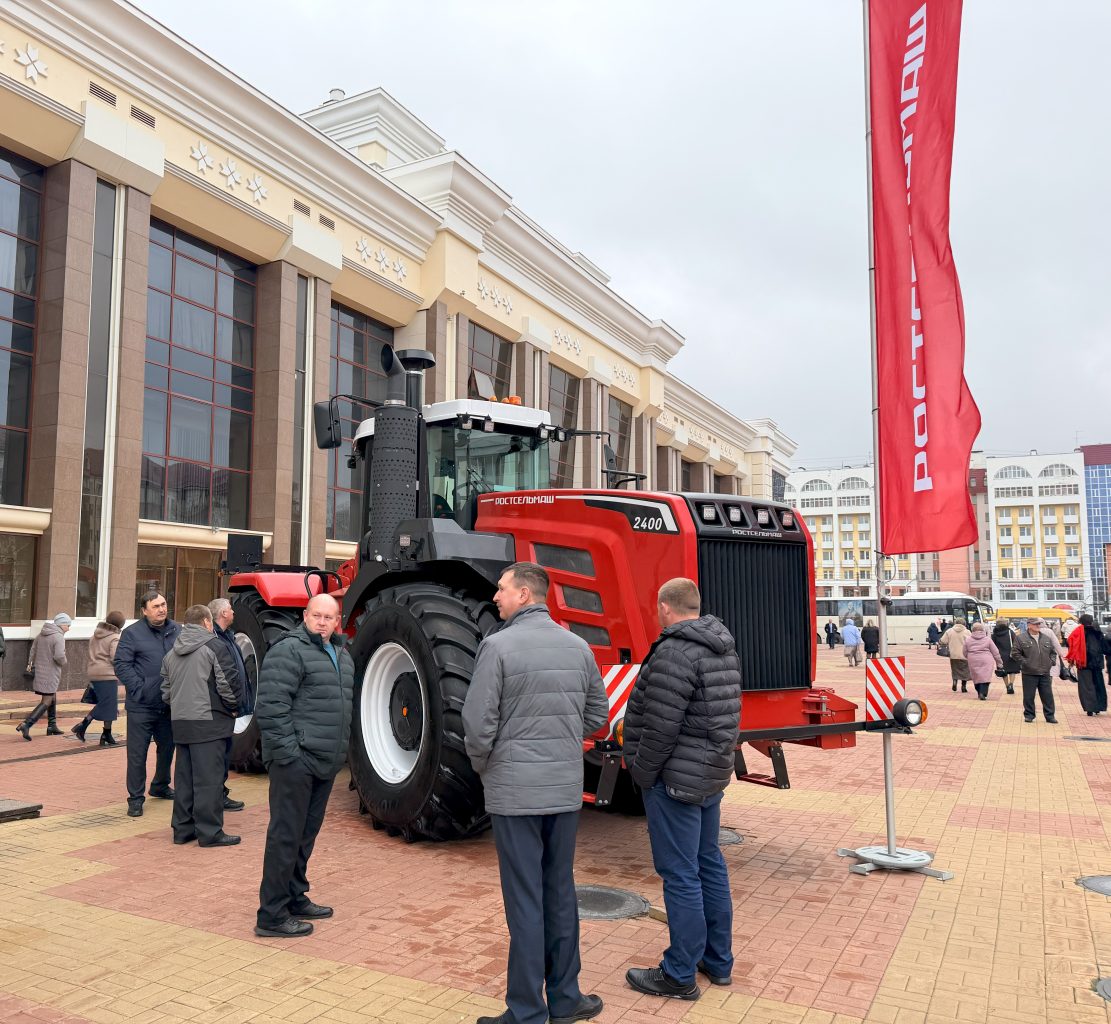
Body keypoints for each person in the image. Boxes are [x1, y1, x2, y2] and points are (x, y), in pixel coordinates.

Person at [463, 563, 608, 1024]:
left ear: (525, 594)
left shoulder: (497, 646)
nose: (496, 597)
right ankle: (567, 1000)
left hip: (514, 795)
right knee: (560, 893)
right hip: (564, 793)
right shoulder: (578, 646)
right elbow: (597, 713)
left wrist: (487, 766)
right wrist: (564, 745)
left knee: (525, 899)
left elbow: (476, 724)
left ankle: (526, 1011)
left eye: (502, 590)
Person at [623, 577, 741, 1003]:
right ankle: (718, 960)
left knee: (680, 874)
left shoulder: (674, 650)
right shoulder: (722, 647)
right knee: (709, 864)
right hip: (707, 777)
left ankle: (678, 973)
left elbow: (659, 727)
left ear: (664, 606)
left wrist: (641, 772)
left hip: (673, 780)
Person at [255, 594, 353, 939]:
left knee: (304, 835)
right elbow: (271, 706)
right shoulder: (289, 650)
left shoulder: (341, 654)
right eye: (317, 616)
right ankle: (271, 915)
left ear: (337, 621)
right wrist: (289, 754)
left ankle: (294, 896)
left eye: (329, 617)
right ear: (305, 616)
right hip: (296, 762)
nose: (323, 622)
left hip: (324, 762)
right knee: (285, 836)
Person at [161, 604, 242, 846]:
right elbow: (228, 685)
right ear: (207, 622)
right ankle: (210, 833)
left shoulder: (171, 653)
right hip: (210, 724)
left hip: (181, 723)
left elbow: (165, 691)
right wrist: (233, 708)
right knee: (209, 780)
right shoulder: (215, 646)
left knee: (185, 779)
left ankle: (183, 830)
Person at [115, 592, 179, 817]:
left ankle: (160, 785)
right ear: (144, 610)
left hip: (169, 703)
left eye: (163, 604)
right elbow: (121, 664)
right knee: (137, 753)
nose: (161, 609)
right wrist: (139, 689)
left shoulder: (177, 630)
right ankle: (135, 798)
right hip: (141, 706)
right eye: (155, 606)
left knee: (168, 747)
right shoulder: (132, 634)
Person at [207, 598, 247, 813]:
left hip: (228, 708)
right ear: (223, 613)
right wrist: (231, 704)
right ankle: (217, 796)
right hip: (222, 709)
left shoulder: (228, 637)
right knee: (218, 755)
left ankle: (220, 793)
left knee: (224, 752)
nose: (233, 612)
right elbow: (222, 677)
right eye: (230, 609)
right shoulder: (215, 640)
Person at [15, 613, 71, 740]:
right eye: (68, 625)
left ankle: (52, 726)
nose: (69, 628)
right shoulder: (58, 637)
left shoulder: (41, 635)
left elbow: (32, 652)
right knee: (47, 700)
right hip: (51, 673)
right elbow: (59, 656)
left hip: (40, 672)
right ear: (62, 625)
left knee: (52, 696)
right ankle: (27, 724)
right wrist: (64, 662)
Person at [73, 611, 125, 745]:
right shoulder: (114, 637)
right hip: (107, 673)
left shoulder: (95, 635)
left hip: (93, 671)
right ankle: (83, 725)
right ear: (120, 625)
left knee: (110, 705)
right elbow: (115, 657)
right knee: (106, 703)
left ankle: (106, 734)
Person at [1012, 617, 1067, 723]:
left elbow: (1052, 652)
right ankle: (1029, 715)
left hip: (1045, 672)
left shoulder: (1046, 638)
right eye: (1035, 624)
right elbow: (1015, 653)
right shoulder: (1021, 638)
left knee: (1048, 695)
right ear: (1029, 625)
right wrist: (1026, 663)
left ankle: (1050, 716)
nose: (1038, 625)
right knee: (1029, 696)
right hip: (1029, 672)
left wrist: (1051, 662)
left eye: (1039, 624)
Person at [1070, 613, 1111, 716]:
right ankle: (1099, 707)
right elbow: (1105, 647)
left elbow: (1070, 643)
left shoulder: (1078, 631)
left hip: (1083, 662)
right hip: (1097, 662)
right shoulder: (1098, 632)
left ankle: (1090, 708)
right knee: (1098, 684)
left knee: (1086, 686)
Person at [964, 622, 1003, 701]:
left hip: (973, 659)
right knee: (985, 676)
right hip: (986, 660)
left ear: (972, 630)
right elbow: (995, 652)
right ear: (983, 630)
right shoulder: (988, 639)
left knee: (976, 676)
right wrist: (999, 663)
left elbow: (964, 651)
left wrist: (968, 657)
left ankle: (979, 692)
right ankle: (983, 692)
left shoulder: (968, 639)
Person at [941, 618, 972, 693]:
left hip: (953, 655)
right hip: (964, 655)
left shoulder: (949, 631)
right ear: (964, 623)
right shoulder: (967, 632)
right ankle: (963, 687)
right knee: (965, 671)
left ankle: (955, 682)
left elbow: (943, 641)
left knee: (955, 670)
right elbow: (971, 642)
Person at [992, 617, 1020, 695]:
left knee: (1003, 671)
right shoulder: (1010, 632)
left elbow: (993, 645)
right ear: (1005, 623)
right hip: (1011, 654)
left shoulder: (994, 634)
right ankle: (1011, 684)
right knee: (1012, 671)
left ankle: (1007, 686)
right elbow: (1016, 642)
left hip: (1000, 655)